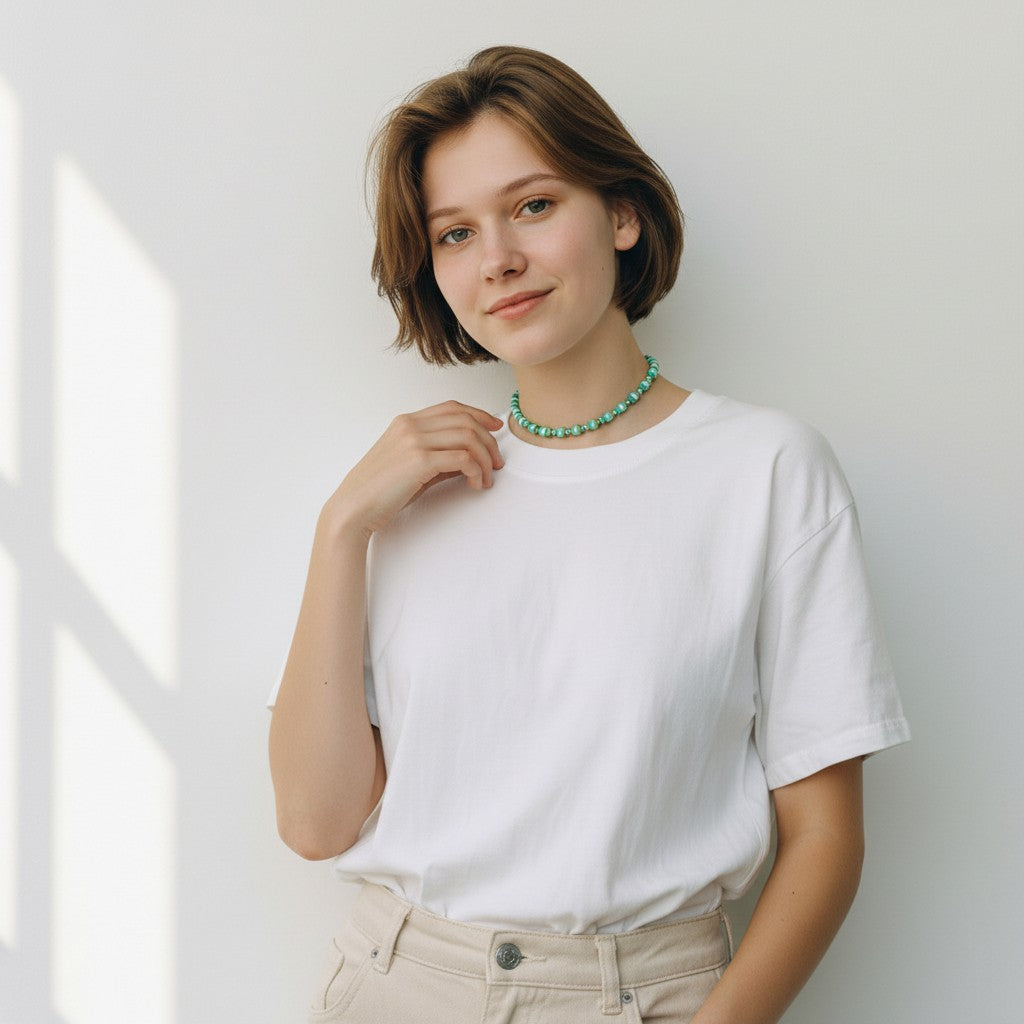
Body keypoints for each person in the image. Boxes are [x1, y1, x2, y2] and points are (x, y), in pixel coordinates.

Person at [267, 45, 910, 1024]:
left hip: (642, 994)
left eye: (532, 205)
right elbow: (316, 824)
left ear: (621, 214)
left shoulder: (766, 471)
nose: (498, 259)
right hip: (396, 983)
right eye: (454, 233)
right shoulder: (403, 498)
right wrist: (341, 526)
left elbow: (823, 839)